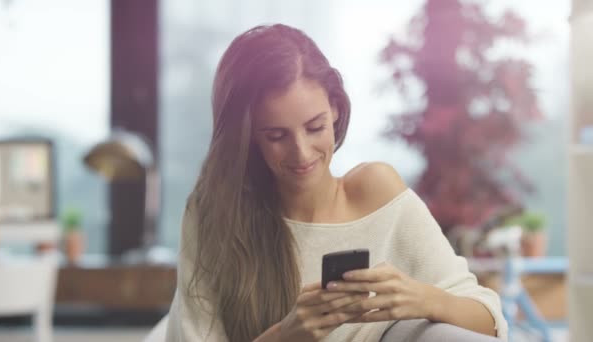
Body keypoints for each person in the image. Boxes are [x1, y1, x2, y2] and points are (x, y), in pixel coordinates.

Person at [165, 24, 507, 342]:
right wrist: (286, 335)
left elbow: (491, 322)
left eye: (315, 127)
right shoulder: (215, 215)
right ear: (249, 137)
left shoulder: (377, 193)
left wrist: (423, 298)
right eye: (276, 136)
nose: (301, 152)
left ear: (335, 110)